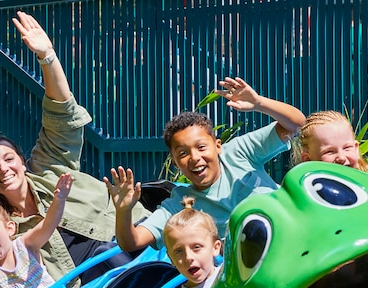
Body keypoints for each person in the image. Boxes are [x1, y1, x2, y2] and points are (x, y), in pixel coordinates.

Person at [0, 12, 150, 288]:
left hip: (128, 239)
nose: (3, 168)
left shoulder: (48, 169)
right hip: (84, 287)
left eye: (8, 159)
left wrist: (47, 57)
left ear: (21, 160)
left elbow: (61, 113)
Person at [108, 78, 305, 250]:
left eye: (201, 147)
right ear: (175, 163)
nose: (194, 158)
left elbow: (296, 124)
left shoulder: (239, 152)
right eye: (183, 153)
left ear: (218, 146)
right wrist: (124, 211)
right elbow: (131, 242)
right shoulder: (181, 204)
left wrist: (259, 103)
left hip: (295, 233)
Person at [162, 200, 222, 288]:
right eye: (178, 251)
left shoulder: (228, 276)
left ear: (215, 248)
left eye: (196, 247)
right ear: (171, 258)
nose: (188, 257)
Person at [290, 110, 368, 172]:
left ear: (356, 149)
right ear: (308, 159)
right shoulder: (307, 192)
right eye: (330, 151)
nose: (341, 158)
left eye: (347, 148)